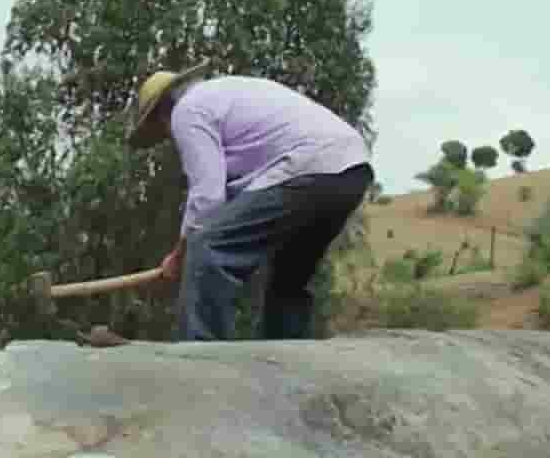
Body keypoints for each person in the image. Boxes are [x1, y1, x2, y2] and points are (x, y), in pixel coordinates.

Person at [127, 63, 373, 342]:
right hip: (351, 170)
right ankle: (287, 356)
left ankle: (199, 356)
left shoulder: (186, 111)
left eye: (161, 131)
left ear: (162, 114)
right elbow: (235, 196)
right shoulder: (223, 94)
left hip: (309, 166)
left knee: (207, 246)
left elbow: (208, 196)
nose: (168, 136)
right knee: (289, 275)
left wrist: (181, 253)